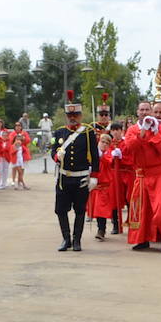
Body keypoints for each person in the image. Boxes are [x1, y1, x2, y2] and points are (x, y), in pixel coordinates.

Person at [122, 103, 161, 254]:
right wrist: (143, 132)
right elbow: (130, 146)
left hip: (160, 174)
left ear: (151, 112)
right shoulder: (132, 129)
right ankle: (142, 240)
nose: (144, 112)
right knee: (142, 210)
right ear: (137, 112)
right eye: (142, 110)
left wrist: (155, 133)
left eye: (147, 110)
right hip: (142, 174)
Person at [50, 102, 99, 252]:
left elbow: (95, 156)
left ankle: (77, 240)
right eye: (70, 115)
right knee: (60, 210)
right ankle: (66, 239)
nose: (72, 118)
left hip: (81, 178)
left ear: (80, 116)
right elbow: (52, 151)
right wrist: (57, 156)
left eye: (75, 115)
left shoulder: (88, 132)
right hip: (64, 179)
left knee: (79, 210)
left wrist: (95, 176)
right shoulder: (59, 132)